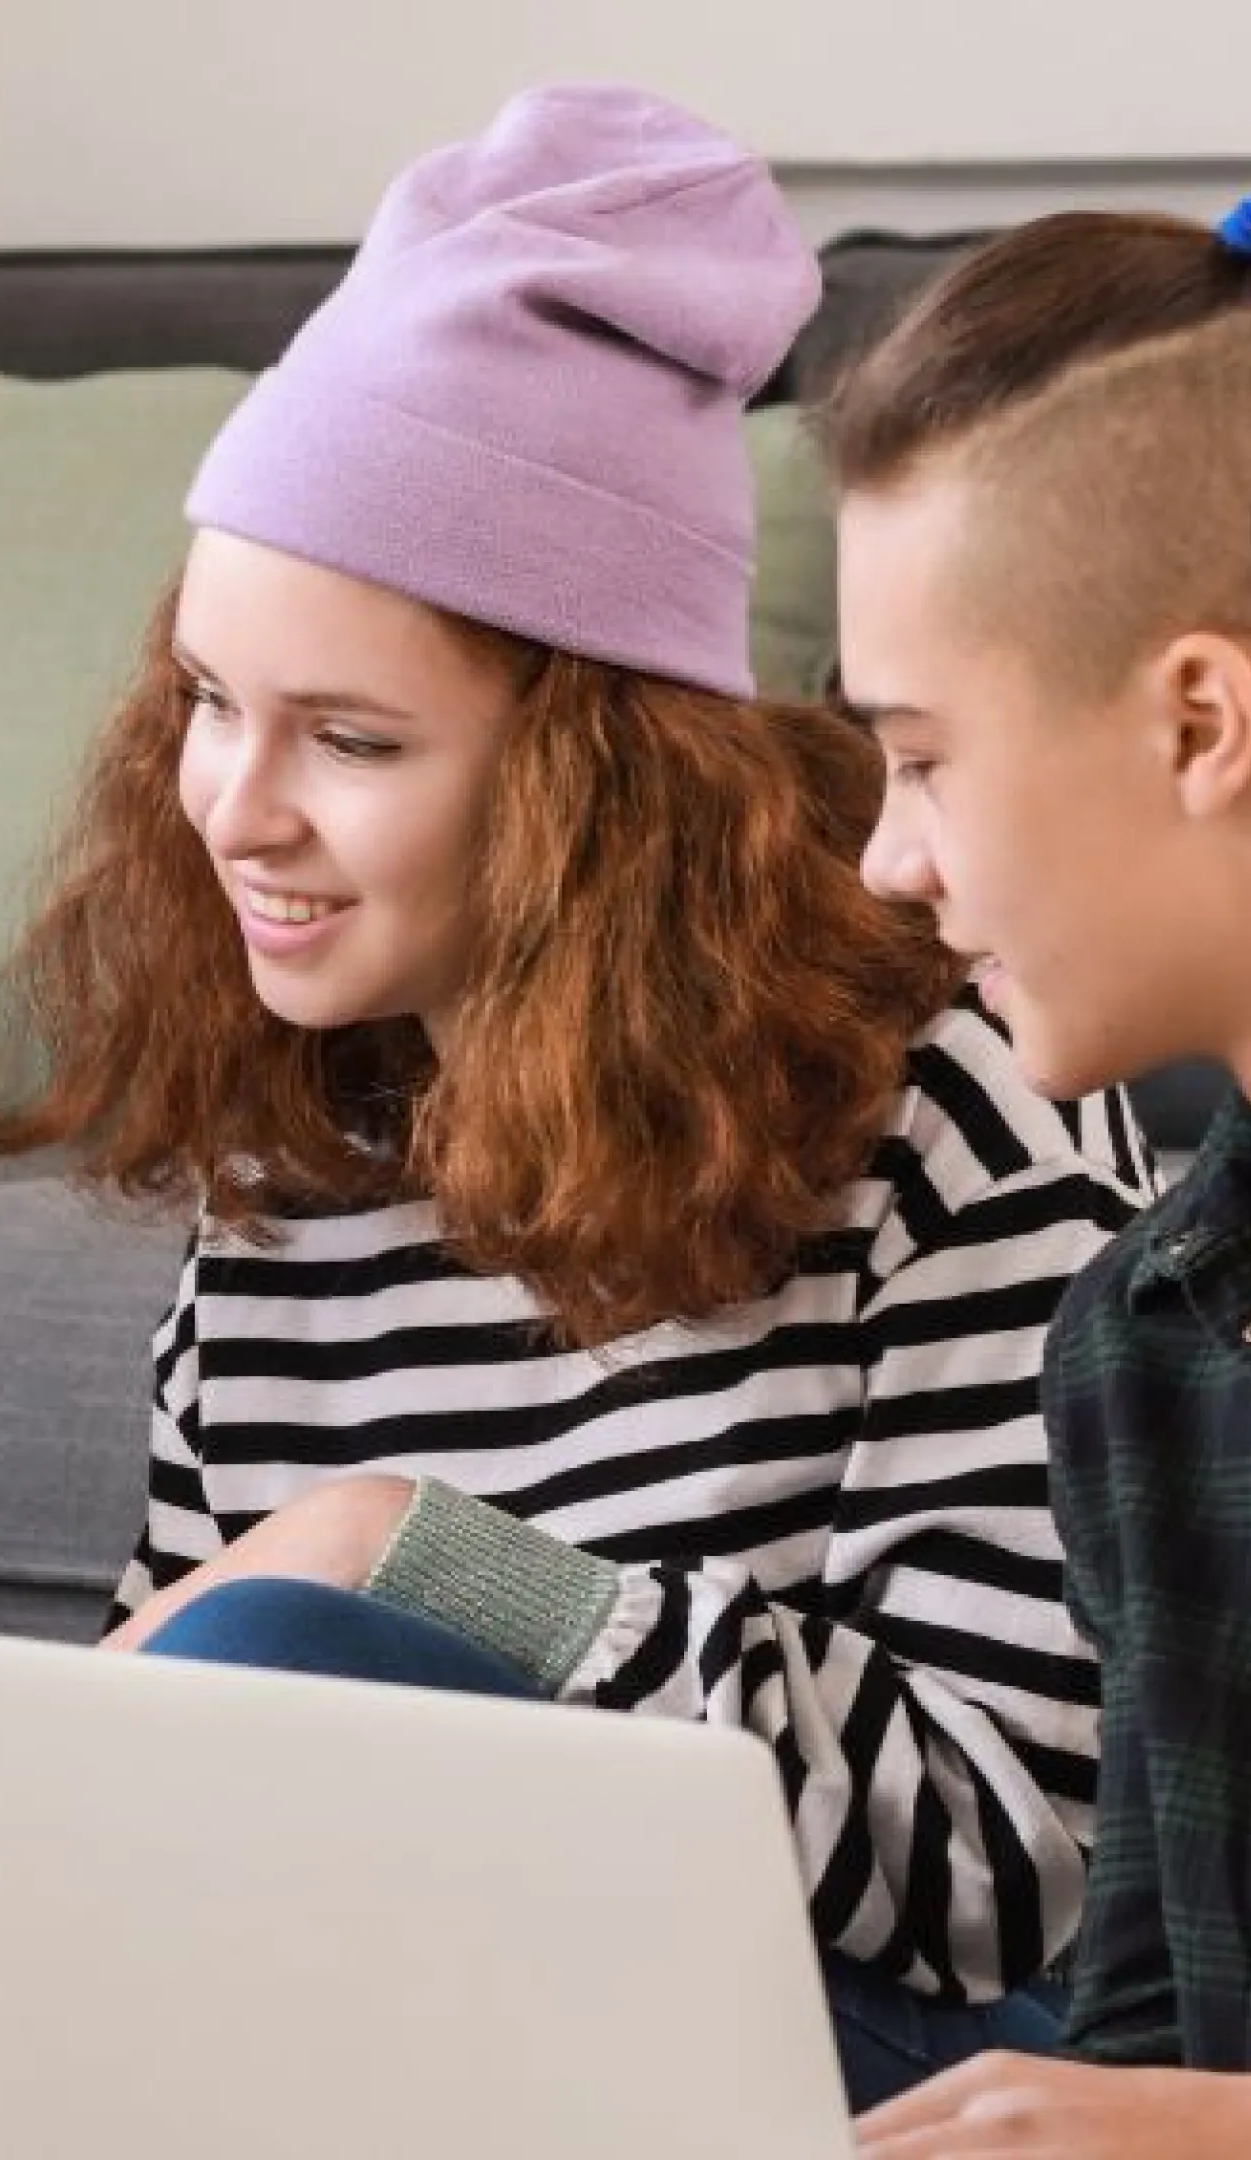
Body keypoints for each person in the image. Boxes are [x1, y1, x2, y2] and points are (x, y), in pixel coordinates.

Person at [0, 85, 1152, 2153]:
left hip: (867, 2063)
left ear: (604, 782)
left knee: (306, 1634)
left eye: (354, 738)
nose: (236, 807)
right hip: (374, 2016)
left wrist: (425, 1573)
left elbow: (1001, 1870)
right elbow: (185, 1766)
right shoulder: (300, 1148)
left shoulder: (954, 1109)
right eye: (210, 700)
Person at [822, 205, 1251, 2159]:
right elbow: (1158, 2040)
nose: (883, 867)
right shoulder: (1146, 1343)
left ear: (1199, 723)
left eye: (922, 761)